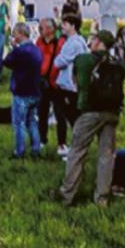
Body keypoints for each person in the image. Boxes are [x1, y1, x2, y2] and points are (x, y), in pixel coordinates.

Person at [58, 30, 125, 207]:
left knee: (77, 152)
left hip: (89, 111)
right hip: (112, 112)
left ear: (97, 41)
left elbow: (76, 83)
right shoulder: (117, 63)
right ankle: (101, 198)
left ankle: (67, 194)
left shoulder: (83, 60)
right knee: (106, 155)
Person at [5, 23, 45, 160]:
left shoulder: (20, 51)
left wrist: (12, 48)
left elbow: (7, 62)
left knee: (19, 123)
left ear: (21, 34)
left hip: (21, 92)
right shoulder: (36, 49)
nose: (13, 36)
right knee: (32, 121)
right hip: (35, 90)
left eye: (15, 33)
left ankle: (19, 151)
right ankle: (36, 148)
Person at [51, 14, 88, 157]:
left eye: (65, 24)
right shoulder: (79, 41)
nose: (62, 26)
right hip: (71, 86)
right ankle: (74, 148)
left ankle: (75, 150)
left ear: (73, 26)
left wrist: (58, 58)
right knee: (73, 119)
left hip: (69, 87)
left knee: (73, 119)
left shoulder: (73, 44)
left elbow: (59, 62)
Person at [34, 18, 65, 152]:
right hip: (42, 83)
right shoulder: (39, 42)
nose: (40, 30)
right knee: (42, 112)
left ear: (52, 29)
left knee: (60, 114)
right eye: (40, 27)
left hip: (56, 84)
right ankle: (42, 139)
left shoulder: (60, 43)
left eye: (43, 27)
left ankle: (62, 143)